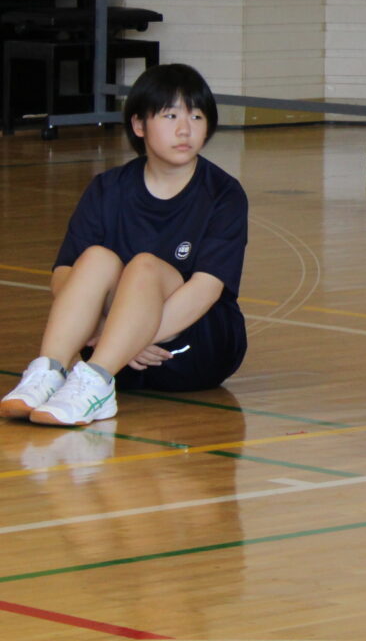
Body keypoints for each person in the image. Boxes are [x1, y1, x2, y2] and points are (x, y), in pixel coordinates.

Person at [2, 64, 249, 427]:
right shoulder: (108, 188)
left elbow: (206, 290)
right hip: (115, 350)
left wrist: (128, 338)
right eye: (170, 115)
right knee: (97, 258)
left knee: (145, 266)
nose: (185, 129)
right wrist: (111, 332)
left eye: (196, 116)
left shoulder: (223, 194)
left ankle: (96, 382)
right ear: (138, 125)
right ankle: (50, 371)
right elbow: (64, 276)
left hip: (192, 346)